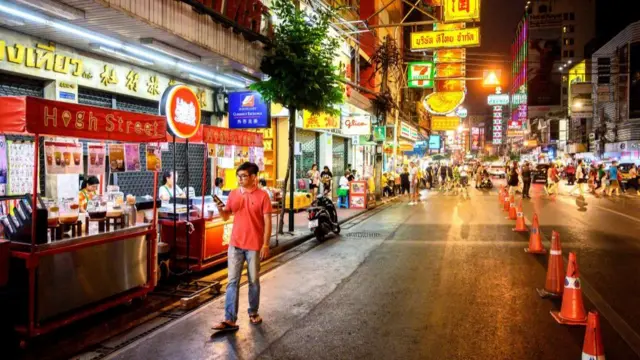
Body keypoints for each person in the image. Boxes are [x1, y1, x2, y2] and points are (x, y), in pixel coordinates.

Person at [212, 162, 273, 332]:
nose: (240, 179)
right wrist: (220, 209)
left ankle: (253, 312)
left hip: (254, 245)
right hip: (235, 244)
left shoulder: (263, 196)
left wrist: (266, 244)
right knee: (232, 281)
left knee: (253, 280)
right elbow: (225, 216)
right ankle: (230, 319)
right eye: (239, 176)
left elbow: (268, 221)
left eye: (244, 176)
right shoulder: (233, 194)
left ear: (254, 177)